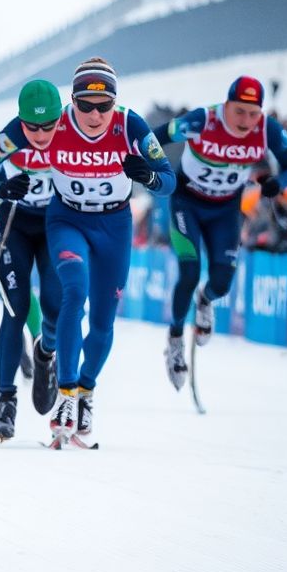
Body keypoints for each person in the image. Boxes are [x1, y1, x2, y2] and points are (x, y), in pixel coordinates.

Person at [44, 58, 175, 446]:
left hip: (114, 226)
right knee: (75, 291)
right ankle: (65, 395)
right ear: (72, 102)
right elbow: (11, 148)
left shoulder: (129, 124)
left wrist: (148, 175)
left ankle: (86, 391)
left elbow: (168, 181)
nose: (96, 115)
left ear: (115, 104)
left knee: (103, 320)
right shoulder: (56, 122)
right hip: (67, 220)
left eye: (105, 106)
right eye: (86, 105)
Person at [153, 76, 287, 386]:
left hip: (225, 211)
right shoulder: (202, 120)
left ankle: (205, 300)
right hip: (187, 203)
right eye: (239, 111)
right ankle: (176, 340)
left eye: (253, 113)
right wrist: (145, 168)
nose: (246, 120)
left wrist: (278, 183)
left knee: (221, 282)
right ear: (226, 105)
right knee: (189, 271)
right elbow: (152, 140)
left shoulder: (266, 129)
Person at [0, 79, 64, 440]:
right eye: (31, 127)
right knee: (15, 308)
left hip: (58, 226)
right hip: (15, 226)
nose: (39, 135)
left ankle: (45, 354)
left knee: (55, 308)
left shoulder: (73, 132)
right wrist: (1, 188)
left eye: (48, 127)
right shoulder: (8, 139)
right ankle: (5, 402)